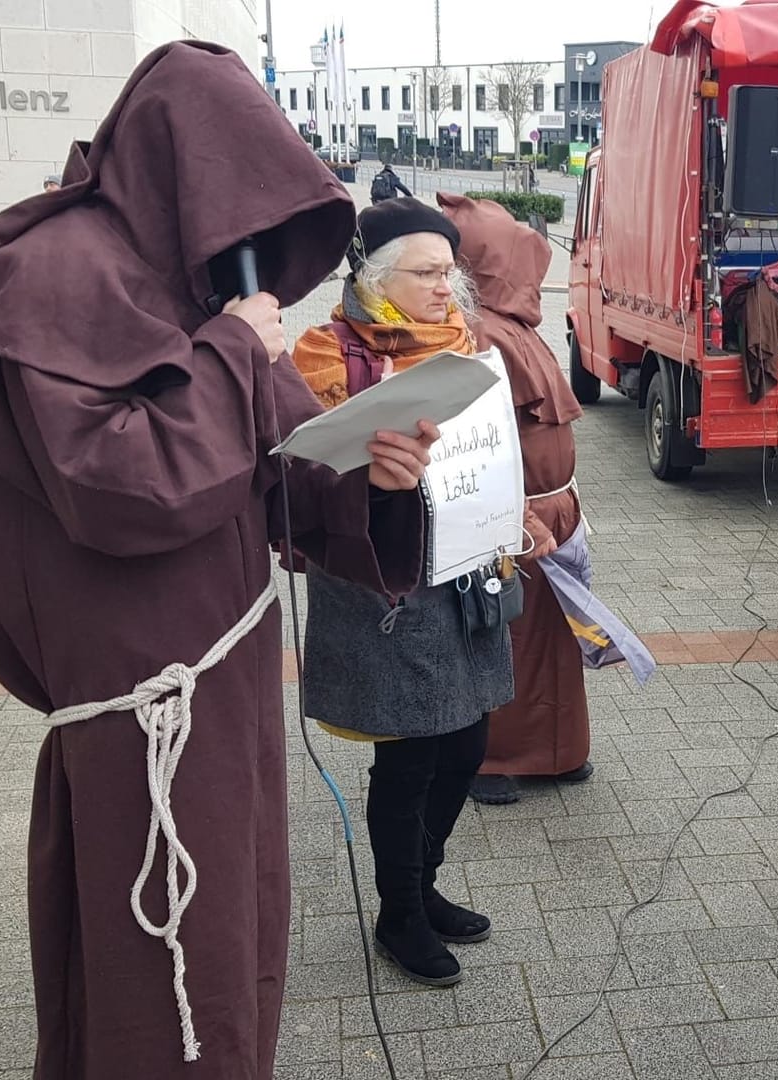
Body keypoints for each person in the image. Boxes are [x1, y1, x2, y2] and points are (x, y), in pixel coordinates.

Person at [0, 42, 442, 1078]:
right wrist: (236, 349)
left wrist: (375, 470)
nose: (250, 248)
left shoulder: (199, 294)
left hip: (222, 690)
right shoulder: (53, 278)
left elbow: (283, 451)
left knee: (236, 936)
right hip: (145, 709)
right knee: (165, 967)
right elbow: (118, 485)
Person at [288, 198, 514, 987]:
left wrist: (523, 516)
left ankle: (421, 883)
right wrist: (371, 479)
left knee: (469, 744)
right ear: (375, 278)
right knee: (411, 754)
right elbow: (298, 482)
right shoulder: (326, 355)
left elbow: (492, 457)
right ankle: (400, 913)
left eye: (449, 272)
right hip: (384, 588)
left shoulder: (467, 346)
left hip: (464, 574)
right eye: (425, 273)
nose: (444, 288)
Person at [435, 191, 595, 806]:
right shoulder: (476, 334)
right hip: (513, 512)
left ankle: (559, 749)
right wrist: (516, 514)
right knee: (510, 635)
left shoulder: (517, 328)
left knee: (553, 632)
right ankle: (494, 758)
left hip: (555, 505)